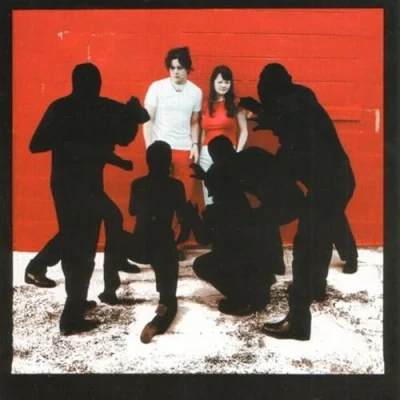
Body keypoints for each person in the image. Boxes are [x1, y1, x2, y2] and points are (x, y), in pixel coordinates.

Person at [29, 62, 149, 335]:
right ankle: (71, 318)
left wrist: (68, 136)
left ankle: (75, 301)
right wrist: (131, 111)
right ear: (98, 84)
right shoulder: (102, 107)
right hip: (83, 187)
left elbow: (36, 144)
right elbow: (138, 120)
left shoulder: (61, 108)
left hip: (68, 186)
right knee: (81, 246)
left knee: (78, 243)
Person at [239, 63, 356, 340]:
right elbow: (286, 119)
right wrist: (262, 111)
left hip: (329, 185)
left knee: (305, 247)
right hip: (339, 180)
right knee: (320, 237)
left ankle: (299, 322)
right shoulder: (301, 98)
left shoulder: (294, 120)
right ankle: (316, 288)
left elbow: (286, 126)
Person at [188, 135, 304, 315]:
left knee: (203, 264)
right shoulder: (248, 161)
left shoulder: (223, 204)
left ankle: (244, 299)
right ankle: (262, 284)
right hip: (272, 229)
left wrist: (192, 218)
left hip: (261, 228)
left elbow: (204, 238)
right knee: (254, 239)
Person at [24, 152, 141, 291]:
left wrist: (121, 162)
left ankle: (118, 259)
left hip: (89, 187)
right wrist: (122, 162)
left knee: (112, 218)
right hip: (74, 188)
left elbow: (100, 151)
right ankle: (35, 268)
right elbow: (98, 151)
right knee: (73, 232)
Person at [126, 141, 189, 343]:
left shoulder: (137, 184)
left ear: (148, 161)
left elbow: (132, 211)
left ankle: (109, 289)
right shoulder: (175, 186)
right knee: (169, 298)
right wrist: (180, 240)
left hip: (138, 245)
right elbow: (183, 217)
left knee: (116, 237)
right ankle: (160, 317)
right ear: (169, 162)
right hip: (162, 245)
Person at [143, 47, 202, 248]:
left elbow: (195, 122)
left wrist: (195, 145)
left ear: (188, 68)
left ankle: (177, 242)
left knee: (183, 198)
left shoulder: (195, 92)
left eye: (180, 68)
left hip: (184, 149)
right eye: (172, 68)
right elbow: (148, 120)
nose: (176, 72)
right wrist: (150, 148)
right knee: (161, 199)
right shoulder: (157, 88)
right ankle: (161, 243)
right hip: (161, 151)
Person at [199, 65, 248, 205]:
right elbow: (203, 132)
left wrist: (237, 153)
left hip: (227, 155)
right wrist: (199, 151)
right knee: (209, 196)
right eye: (220, 82)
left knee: (228, 194)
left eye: (227, 82)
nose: (223, 85)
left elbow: (244, 131)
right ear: (213, 82)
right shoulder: (206, 105)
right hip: (206, 155)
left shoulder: (236, 103)